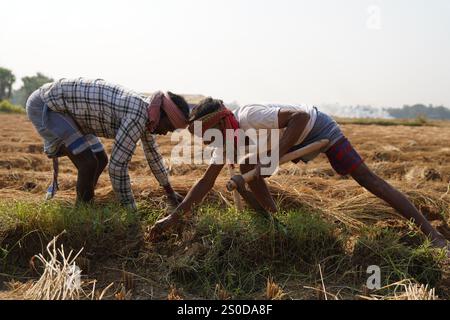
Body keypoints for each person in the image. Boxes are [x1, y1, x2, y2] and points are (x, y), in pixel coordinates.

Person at [149, 97, 449, 252]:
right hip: (288, 142)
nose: (210, 142)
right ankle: (273, 221)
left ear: (223, 122)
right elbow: (206, 182)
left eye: (210, 135)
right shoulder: (227, 141)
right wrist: (173, 217)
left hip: (318, 129)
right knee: (246, 166)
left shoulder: (249, 115)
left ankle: (433, 235)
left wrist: (274, 155)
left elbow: (301, 117)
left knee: (367, 179)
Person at [26, 78, 189, 210]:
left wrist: (169, 191)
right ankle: (83, 212)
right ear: (162, 114)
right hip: (48, 106)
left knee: (100, 159)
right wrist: (130, 210)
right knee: (88, 163)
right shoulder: (138, 117)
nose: (165, 133)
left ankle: (85, 203)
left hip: (70, 114)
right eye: (168, 127)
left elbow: (153, 156)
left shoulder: (148, 114)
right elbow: (117, 167)